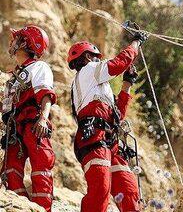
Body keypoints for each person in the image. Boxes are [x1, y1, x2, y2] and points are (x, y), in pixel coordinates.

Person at [67, 28, 147, 212]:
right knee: (100, 190)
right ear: (87, 57)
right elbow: (118, 63)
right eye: (95, 57)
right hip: (93, 136)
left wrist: (126, 85)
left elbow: (117, 116)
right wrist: (136, 43)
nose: (97, 61)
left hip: (109, 140)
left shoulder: (98, 87)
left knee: (129, 191)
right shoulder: (88, 71)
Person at [1, 25, 56, 211]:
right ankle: (23, 207)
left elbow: (45, 95)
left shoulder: (39, 67)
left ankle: (43, 209)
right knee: (10, 171)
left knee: (41, 169)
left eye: (17, 38)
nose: (12, 41)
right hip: (14, 128)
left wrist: (43, 118)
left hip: (33, 124)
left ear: (26, 42)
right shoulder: (13, 76)